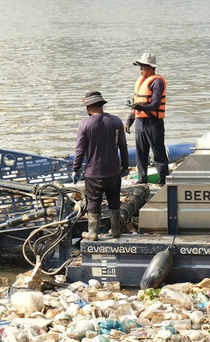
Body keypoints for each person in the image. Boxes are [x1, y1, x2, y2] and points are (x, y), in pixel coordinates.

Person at [72, 91, 130, 241]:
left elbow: (80, 150)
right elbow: (123, 146)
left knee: (93, 202)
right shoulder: (116, 121)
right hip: (114, 172)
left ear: (89, 107)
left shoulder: (85, 124)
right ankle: (116, 230)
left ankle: (93, 233)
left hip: (94, 174)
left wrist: (75, 168)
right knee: (114, 200)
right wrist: (125, 166)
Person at [125, 52, 168, 185]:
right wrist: (129, 120)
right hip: (140, 122)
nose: (140, 69)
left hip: (153, 123)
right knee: (141, 153)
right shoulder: (141, 82)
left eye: (143, 66)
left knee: (158, 153)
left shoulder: (157, 82)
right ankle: (141, 180)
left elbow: (155, 104)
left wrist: (140, 108)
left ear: (150, 67)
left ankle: (163, 182)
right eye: (140, 66)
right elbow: (136, 104)